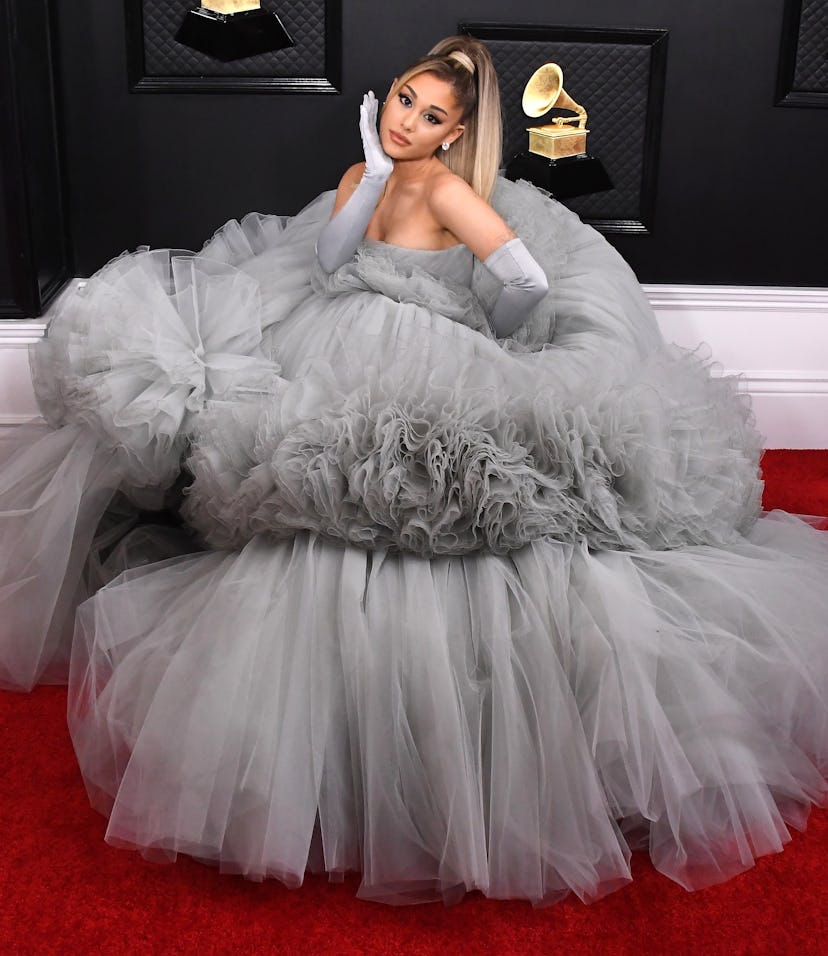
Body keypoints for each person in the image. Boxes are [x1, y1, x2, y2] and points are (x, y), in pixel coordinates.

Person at [0, 35, 826, 907]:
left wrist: (486, 323)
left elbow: (523, 276)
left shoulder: (443, 186)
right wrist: (365, 170)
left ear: (456, 131)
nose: (407, 122)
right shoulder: (365, 181)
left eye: (431, 116)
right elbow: (329, 262)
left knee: (412, 489)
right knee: (306, 469)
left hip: (424, 341)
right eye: (402, 101)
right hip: (334, 332)